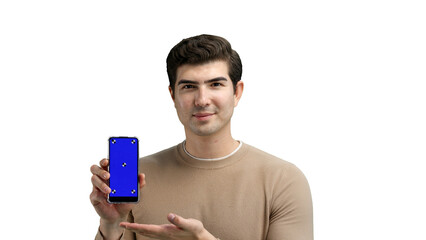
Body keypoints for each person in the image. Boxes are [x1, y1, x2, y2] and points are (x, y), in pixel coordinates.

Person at [90, 34, 313, 240]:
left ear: (237, 92)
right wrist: (110, 224)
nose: (202, 99)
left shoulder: (283, 180)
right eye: (188, 86)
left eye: (215, 84)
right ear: (173, 95)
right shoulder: (138, 178)